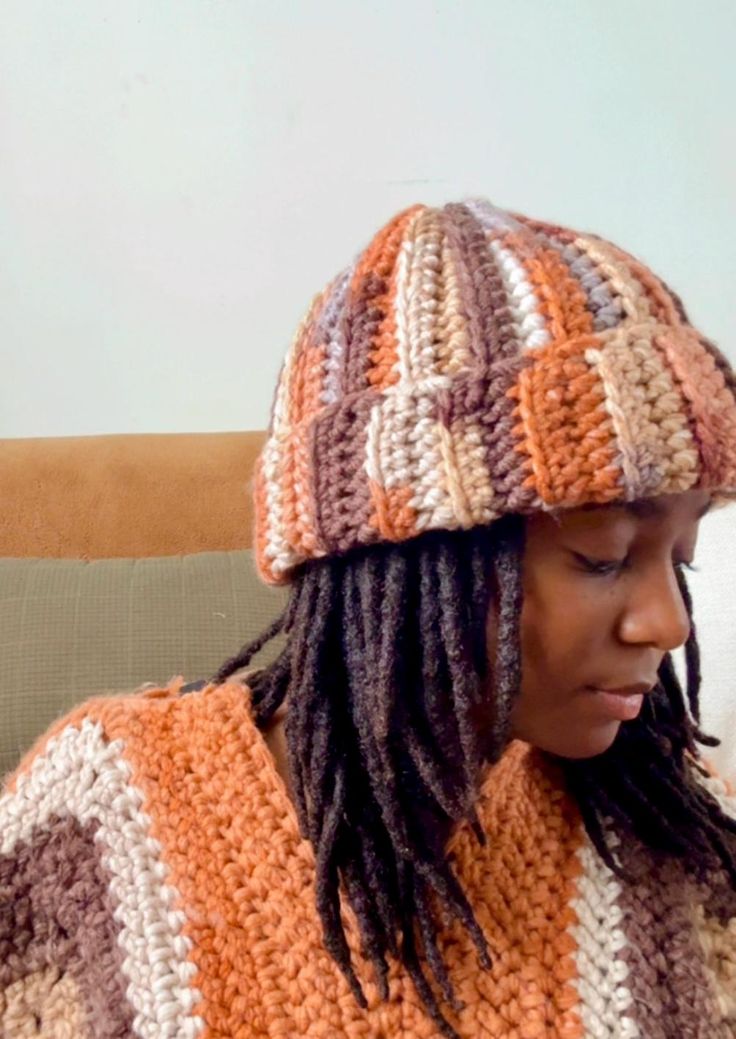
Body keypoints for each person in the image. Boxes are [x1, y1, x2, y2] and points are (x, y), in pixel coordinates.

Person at [3, 198, 736, 1038]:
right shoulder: (106, 814)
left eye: (681, 558)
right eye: (604, 556)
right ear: (409, 558)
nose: (668, 623)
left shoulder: (659, 825)